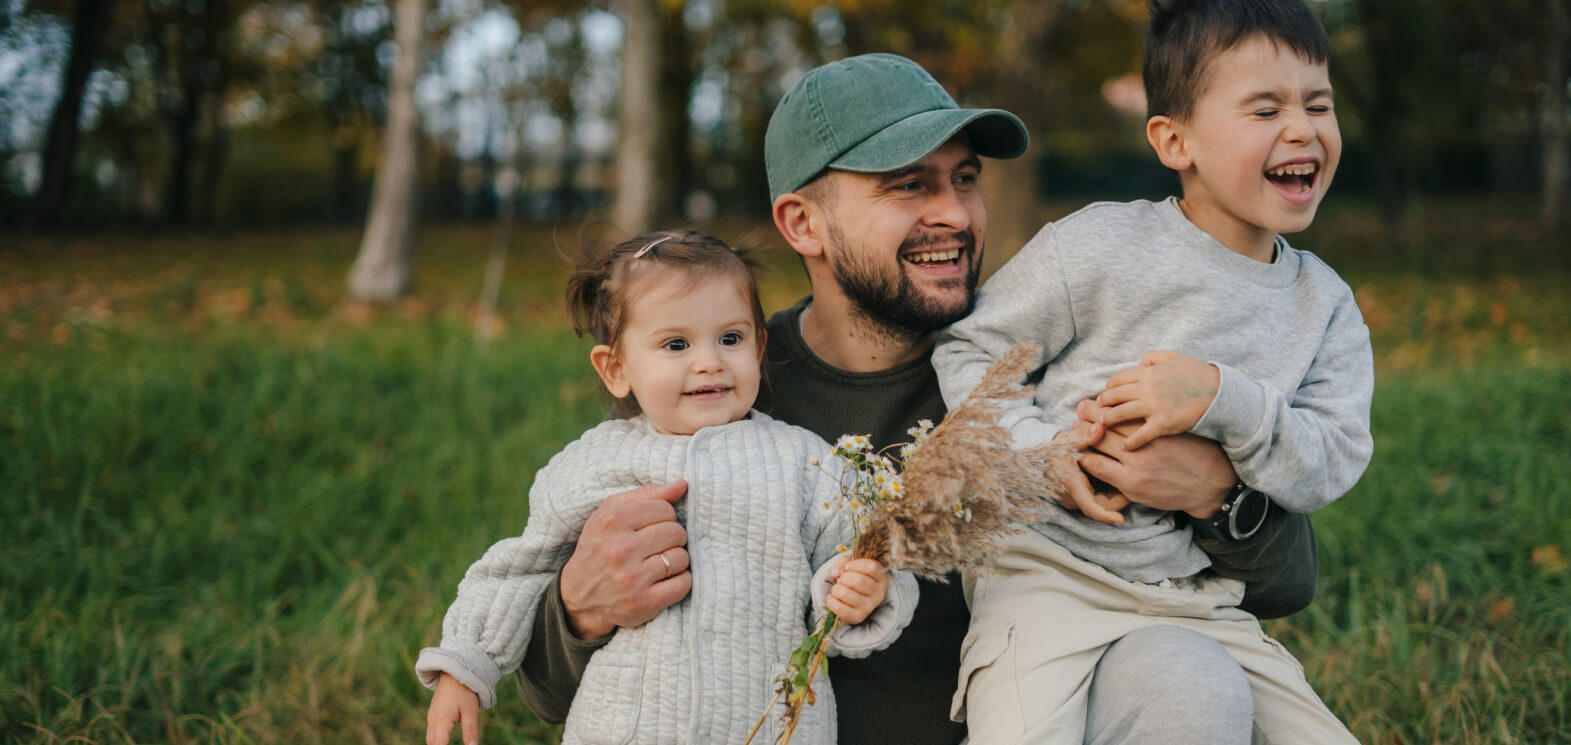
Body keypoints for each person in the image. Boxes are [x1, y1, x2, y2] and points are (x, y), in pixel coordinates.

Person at [516, 53, 1324, 745]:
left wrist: (1220, 497)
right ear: (804, 222)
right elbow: (549, 691)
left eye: (963, 179)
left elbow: (1289, 583)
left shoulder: (1038, 368)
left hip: (1056, 712)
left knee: (1188, 674)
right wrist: (580, 610)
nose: (954, 214)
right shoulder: (717, 395)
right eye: (908, 185)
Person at [933, 1, 1373, 743]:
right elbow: (972, 351)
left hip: (1195, 595)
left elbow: (1330, 460)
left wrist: (1221, 398)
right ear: (1175, 140)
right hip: (1048, 574)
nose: (1302, 128)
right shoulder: (1096, 246)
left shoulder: (1322, 306)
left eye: (1317, 103)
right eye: (1265, 108)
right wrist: (1040, 454)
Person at [415, 230, 918, 745]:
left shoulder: (807, 461)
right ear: (616, 369)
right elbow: (518, 569)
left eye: (731, 338)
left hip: (773, 726)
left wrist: (862, 592)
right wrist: (463, 662)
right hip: (624, 728)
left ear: (759, 345)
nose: (709, 361)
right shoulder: (595, 462)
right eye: (676, 344)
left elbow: (861, 554)